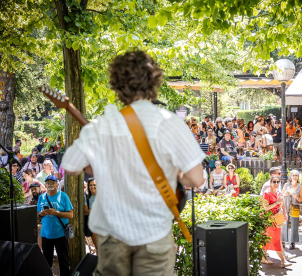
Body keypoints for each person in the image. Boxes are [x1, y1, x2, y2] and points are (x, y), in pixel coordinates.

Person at [61, 50, 205, 276]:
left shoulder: (102, 125)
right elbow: (196, 179)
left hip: (112, 237)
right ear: (155, 82)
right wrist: (175, 174)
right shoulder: (170, 123)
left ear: (117, 86)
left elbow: (70, 165)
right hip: (154, 235)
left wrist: (97, 164)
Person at [37, 175, 73, 276]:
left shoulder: (63, 196)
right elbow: (37, 215)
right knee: (46, 263)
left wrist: (56, 212)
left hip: (60, 234)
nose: (50, 184)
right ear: (45, 184)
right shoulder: (41, 197)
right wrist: (41, 214)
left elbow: (71, 214)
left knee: (64, 263)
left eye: (52, 182)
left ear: (57, 184)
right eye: (48, 182)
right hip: (46, 235)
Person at [262, 175, 291, 267]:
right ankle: (283, 261)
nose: (276, 183)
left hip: (276, 219)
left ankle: (263, 258)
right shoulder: (267, 193)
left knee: (267, 239)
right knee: (276, 240)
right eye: (274, 181)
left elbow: (281, 204)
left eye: (277, 182)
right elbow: (265, 207)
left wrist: (285, 214)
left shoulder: (278, 192)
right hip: (269, 219)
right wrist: (276, 203)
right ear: (270, 183)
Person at [281, 170, 302, 250]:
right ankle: (282, 241)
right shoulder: (286, 185)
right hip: (285, 207)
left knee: (294, 225)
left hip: (295, 208)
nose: (294, 177)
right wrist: (285, 193)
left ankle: (293, 242)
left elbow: (300, 199)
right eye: (293, 175)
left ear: (298, 177)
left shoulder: (300, 186)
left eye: (296, 175)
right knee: (284, 224)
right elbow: (281, 195)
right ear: (290, 176)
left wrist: (296, 197)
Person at [84, 178, 98, 249]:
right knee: (98, 247)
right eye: (91, 185)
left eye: (94, 185)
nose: (92, 187)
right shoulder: (86, 197)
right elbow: (86, 211)